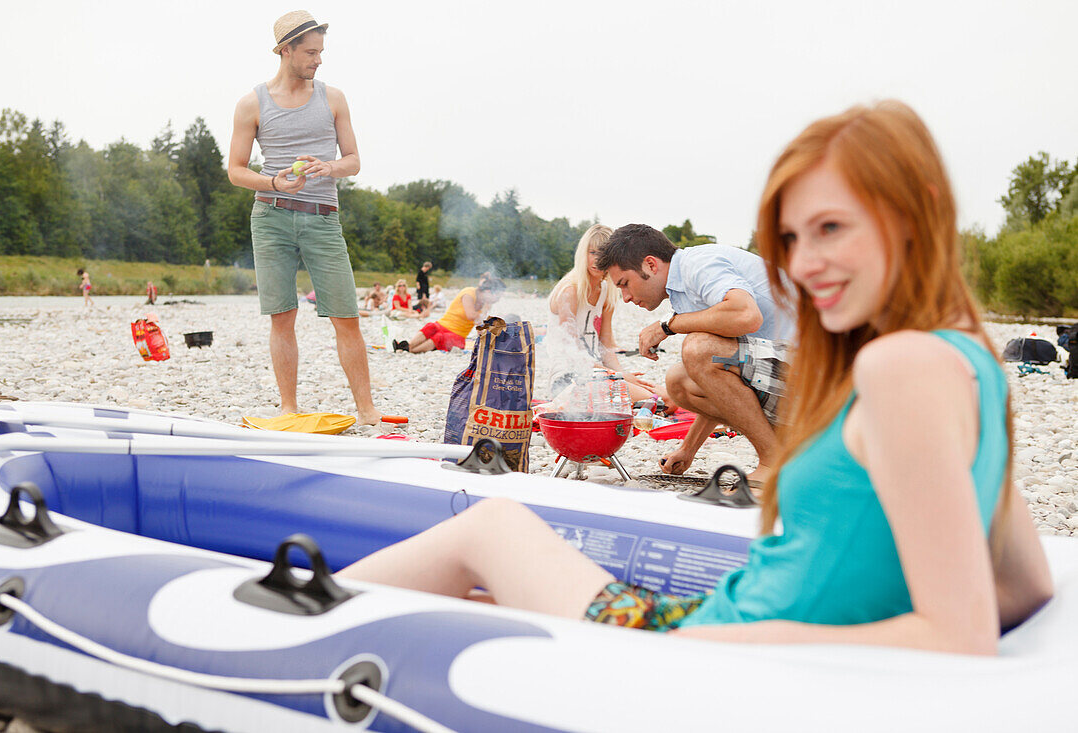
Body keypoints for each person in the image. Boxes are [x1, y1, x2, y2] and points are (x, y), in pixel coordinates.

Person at [335, 100, 1052, 652]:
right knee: (487, 594)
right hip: (727, 629)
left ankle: (269, 625)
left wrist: (703, 646)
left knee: (488, 528)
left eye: (832, 227)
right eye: (793, 238)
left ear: (914, 212)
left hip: (704, 646)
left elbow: (961, 636)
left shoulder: (897, 365)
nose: (803, 265)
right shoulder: (965, 356)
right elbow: (1023, 584)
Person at [226, 10, 380, 423]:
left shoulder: (333, 99)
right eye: (311, 52)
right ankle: (289, 408)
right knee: (282, 316)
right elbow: (236, 170)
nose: (319, 60)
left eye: (321, 52)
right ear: (285, 50)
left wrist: (328, 167)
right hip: (271, 216)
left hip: (323, 218)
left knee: (346, 316)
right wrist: (274, 183)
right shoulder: (250, 104)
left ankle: (367, 411)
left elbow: (354, 161)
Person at [595, 225, 795, 485]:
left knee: (698, 348)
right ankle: (789, 451)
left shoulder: (698, 264)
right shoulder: (682, 290)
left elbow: (747, 315)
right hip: (788, 374)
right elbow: (723, 383)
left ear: (651, 265)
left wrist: (668, 325)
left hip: (820, 373)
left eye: (624, 284)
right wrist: (688, 450)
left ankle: (773, 462)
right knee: (679, 380)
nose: (625, 297)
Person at [544, 224, 665, 402]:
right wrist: (618, 377)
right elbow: (573, 353)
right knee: (651, 400)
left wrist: (621, 374)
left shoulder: (606, 291)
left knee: (668, 400)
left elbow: (606, 346)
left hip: (599, 374)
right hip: (569, 378)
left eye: (603, 254)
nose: (597, 259)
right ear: (583, 253)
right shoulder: (570, 291)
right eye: (592, 252)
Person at [396, 278, 504, 353]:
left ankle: (409, 349)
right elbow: (471, 315)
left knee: (439, 337)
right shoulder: (469, 293)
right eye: (497, 296)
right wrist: (484, 311)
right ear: (489, 291)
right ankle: (408, 345)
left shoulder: (485, 304)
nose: (498, 300)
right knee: (431, 327)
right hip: (443, 324)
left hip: (458, 335)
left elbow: (479, 324)